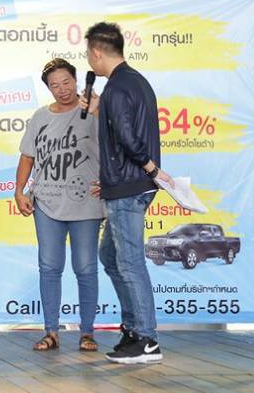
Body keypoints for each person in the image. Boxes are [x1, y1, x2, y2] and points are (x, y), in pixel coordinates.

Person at [84, 22, 172, 365]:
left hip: (128, 187)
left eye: (88, 54)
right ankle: (134, 330)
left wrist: (151, 168)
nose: (89, 60)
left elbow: (126, 136)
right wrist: (99, 109)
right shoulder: (135, 82)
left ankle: (147, 339)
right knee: (110, 256)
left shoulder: (117, 87)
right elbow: (125, 128)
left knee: (130, 261)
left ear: (97, 52)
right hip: (127, 185)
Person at [14, 58, 105, 353]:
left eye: (66, 82)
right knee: (49, 267)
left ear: (76, 80)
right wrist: (19, 190)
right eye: (55, 85)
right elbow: (27, 156)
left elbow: (117, 146)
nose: (62, 89)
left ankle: (87, 332)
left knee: (86, 267)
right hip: (47, 202)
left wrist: (110, 181)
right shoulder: (40, 116)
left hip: (86, 203)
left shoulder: (94, 112)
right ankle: (51, 332)